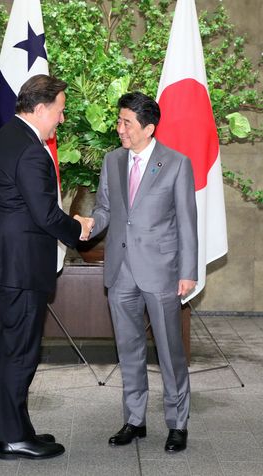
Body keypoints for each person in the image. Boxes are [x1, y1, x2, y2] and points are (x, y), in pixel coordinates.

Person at [0, 74, 94, 461]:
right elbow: (44, 214)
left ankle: (16, 429)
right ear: (40, 109)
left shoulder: (6, 137)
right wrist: (78, 228)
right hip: (20, 267)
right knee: (20, 353)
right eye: (59, 111)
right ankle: (11, 439)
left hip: (5, 263)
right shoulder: (29, 149)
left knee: (14, 349)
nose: (61, 119)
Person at [90, 91, 198, 452]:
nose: (119, 128)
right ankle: (134, 420)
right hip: (120, 272)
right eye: (119, 121)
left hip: (163, 272)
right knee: (129, 348)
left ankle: (177, 423)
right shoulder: (112, 161)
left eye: (126, 123)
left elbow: (186, 221)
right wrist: (90, 223)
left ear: (148, 128)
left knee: (169, 351)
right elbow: (105, 209)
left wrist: (189, 270)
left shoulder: (177, 163)